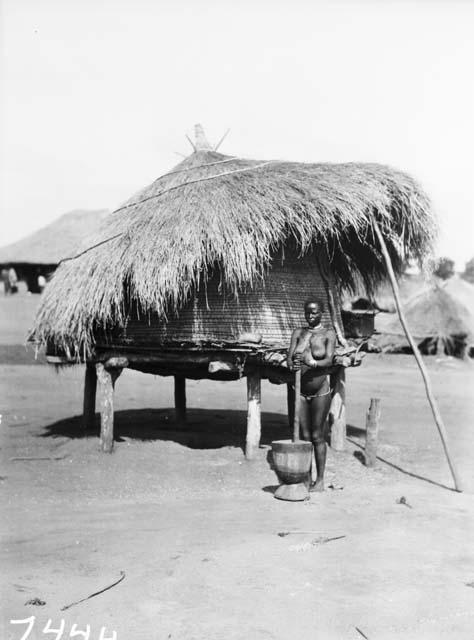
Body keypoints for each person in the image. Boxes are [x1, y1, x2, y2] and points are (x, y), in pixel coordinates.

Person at [287, 298, 336, 492]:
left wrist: (312, 362)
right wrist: (293, 363)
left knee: (317, 435)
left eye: (314, 312)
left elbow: (329, 361)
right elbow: (289, 359)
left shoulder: (328, 334)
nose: (311, 316)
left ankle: (321, 480)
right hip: (299, 391)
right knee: (304, 436)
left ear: (321, 313)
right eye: (308, 312)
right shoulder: (298, 333)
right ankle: (306, 478)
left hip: (319, 391)